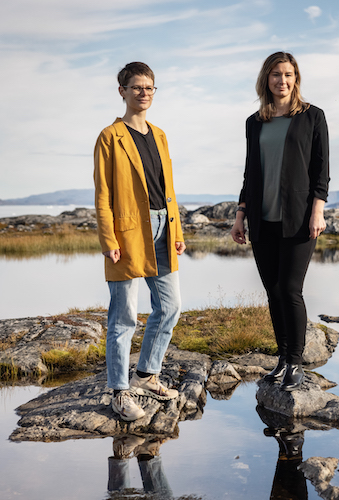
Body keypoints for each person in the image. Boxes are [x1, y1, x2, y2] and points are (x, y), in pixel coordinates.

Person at [231, 52, 329, 392]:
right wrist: (241, 214)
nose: (282, 80)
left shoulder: (313, 117)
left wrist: (318, 210)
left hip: (299, 219)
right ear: (266, 79)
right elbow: (249, 172)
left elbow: (321, 170)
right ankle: (283, 359)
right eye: (276, 74)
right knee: (273, 292)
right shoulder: (254, 122)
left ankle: (297, 361)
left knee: (290, 290)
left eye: (288, 74)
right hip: (262, 217)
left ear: (296, 79)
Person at [94, 62, 185, 421]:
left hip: (164, 227)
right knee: (123, 317)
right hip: (128, 231)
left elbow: (168, 190)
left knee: (170, 305)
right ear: (123, 92)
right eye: (136, 88)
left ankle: (146, 374)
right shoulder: (109, 136)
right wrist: (107, 238)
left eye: (149, 88)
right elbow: (103, 194)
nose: (143, 93)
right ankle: (118, 391)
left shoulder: (160, 134)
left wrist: (177, 232)